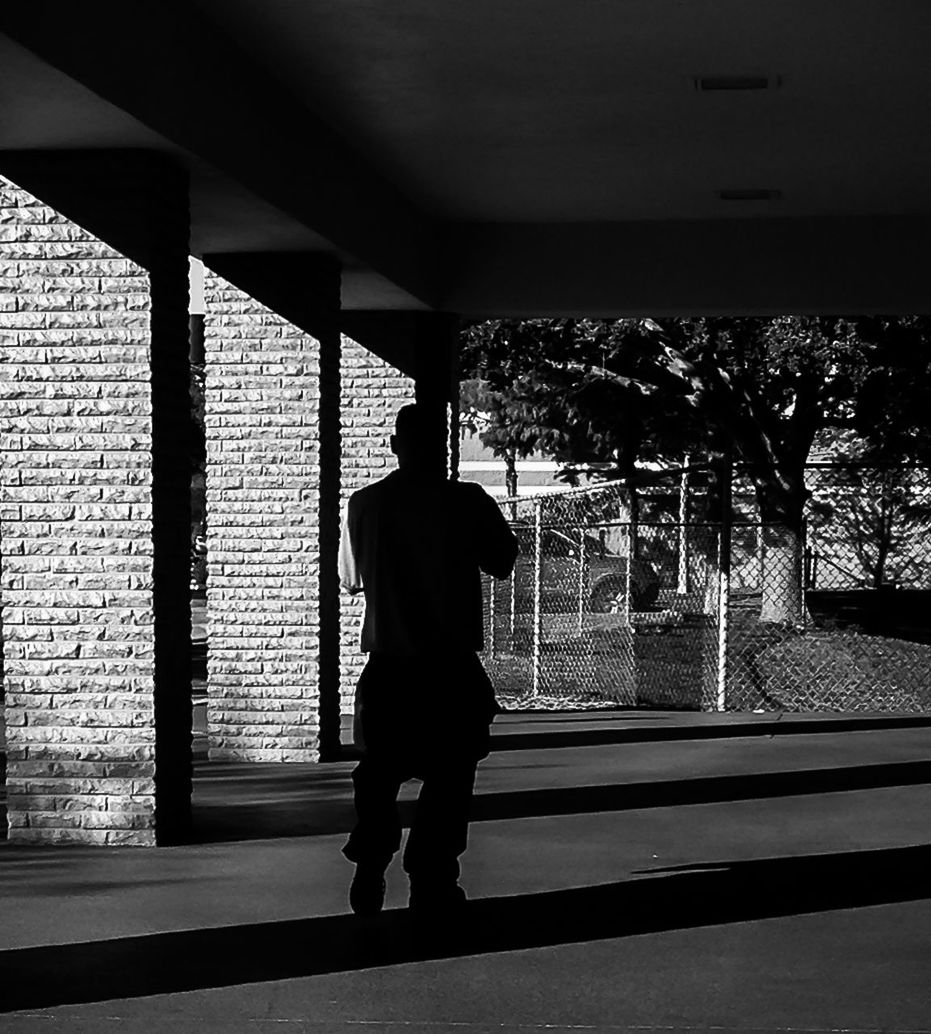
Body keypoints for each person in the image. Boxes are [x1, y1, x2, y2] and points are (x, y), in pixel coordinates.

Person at [339, 403, 518, 916]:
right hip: (449, 667)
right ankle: (431, 880)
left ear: (395, 447)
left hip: (390, 665)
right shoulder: (468, 501)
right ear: (444, 448)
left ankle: (370, 865)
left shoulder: (365, 505)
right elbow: (503, 561)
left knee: (377, 774)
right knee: (450, 777)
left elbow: (350, 581)